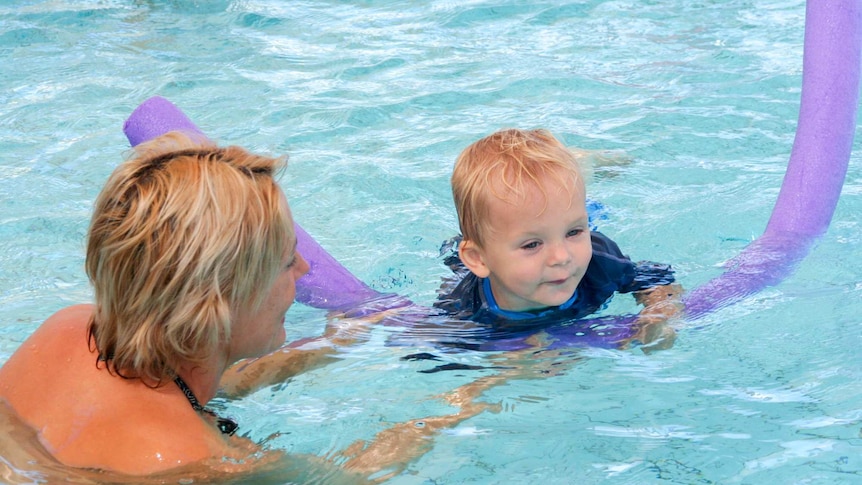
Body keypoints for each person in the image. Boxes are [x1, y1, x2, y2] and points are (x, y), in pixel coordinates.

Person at [0, 131, 494, 481]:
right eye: (284, 263)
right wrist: (460, 407)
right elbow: (347, 474)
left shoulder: (67, 330)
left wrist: (329, 344)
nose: (304, 270)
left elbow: (178, 387)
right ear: (215, 310)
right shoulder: (198, 461)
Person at [433, 128, 683, 350]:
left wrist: (658, 316)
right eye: (531, 244)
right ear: (478, 258)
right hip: (468, 259)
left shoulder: (599, 261)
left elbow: (658, 281)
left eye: (574, 232)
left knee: (568, 204)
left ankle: (584, 164)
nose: (562, 257)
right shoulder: (463, 308)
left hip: (565, 218)